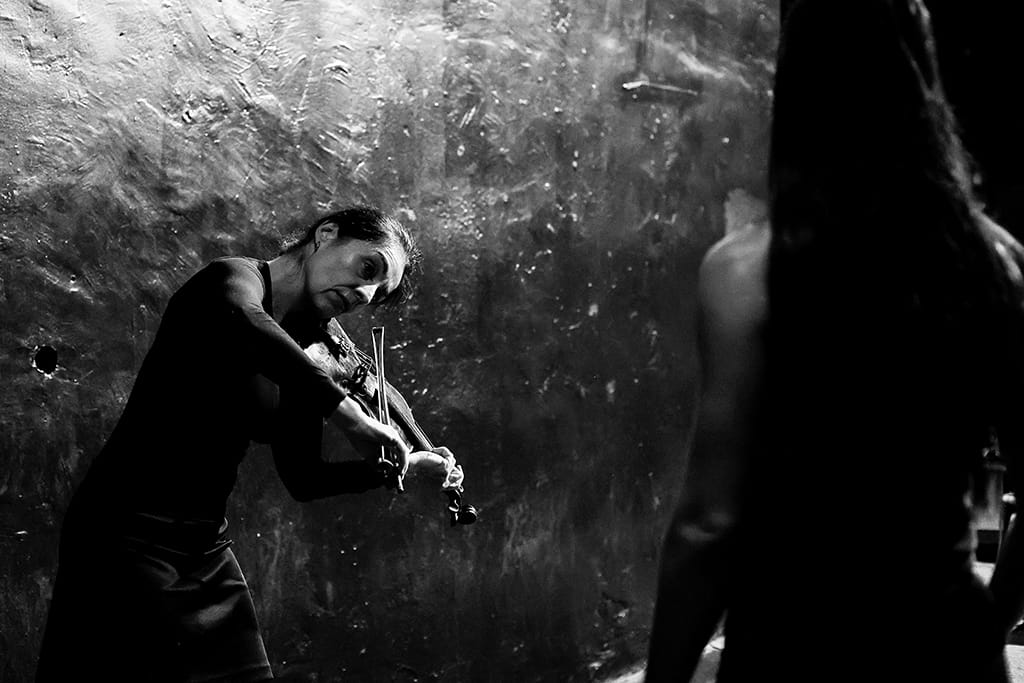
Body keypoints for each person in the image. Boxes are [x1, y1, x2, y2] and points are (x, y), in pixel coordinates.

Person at [645, 1, 1024, 681]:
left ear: (797, 93)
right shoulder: (996, 263)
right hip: (946, 643)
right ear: (923, 82)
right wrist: (987, 622)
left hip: (792, 646)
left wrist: (665, 676)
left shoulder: (746, 272)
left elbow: (711, 522)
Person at [35, 205, 459, 682]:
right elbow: (246, 322)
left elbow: (304, 478)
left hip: (203, 548)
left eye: (377, 293)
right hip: (122, 534)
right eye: (367, 268)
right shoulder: (231, 282)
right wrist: (350, 416)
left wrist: (402, 468)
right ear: (326, 234)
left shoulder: (307, 353)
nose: (363, 294)